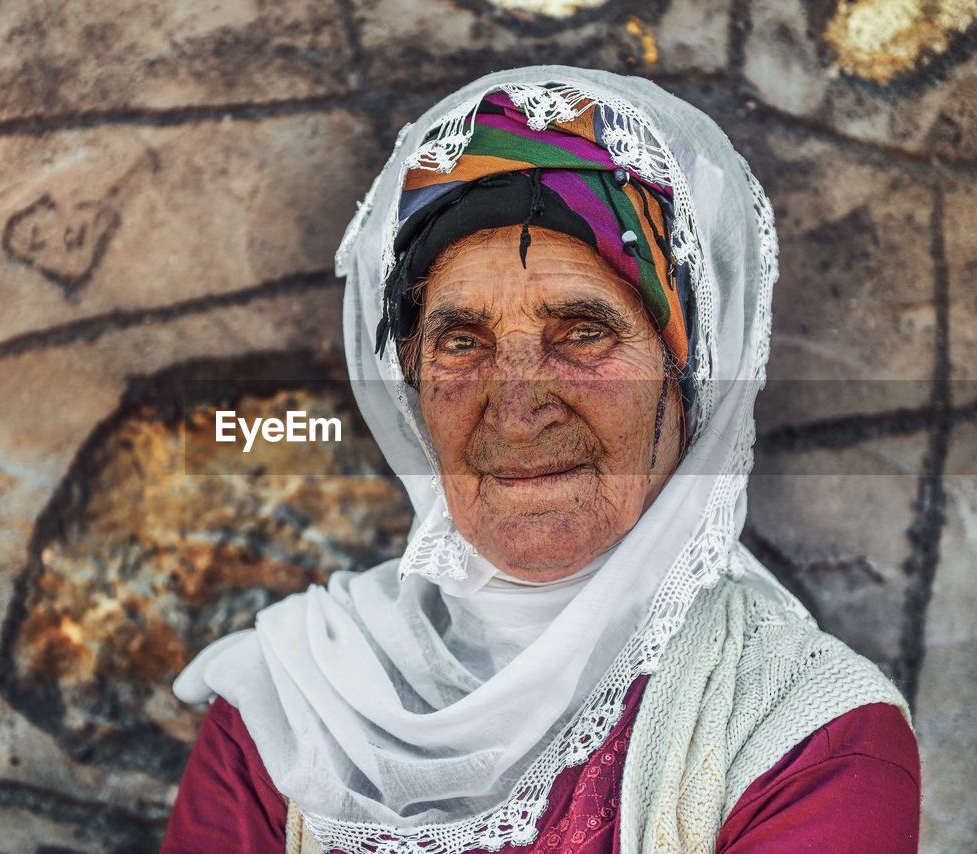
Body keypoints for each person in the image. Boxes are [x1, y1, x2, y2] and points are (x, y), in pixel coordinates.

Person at [161, 66, 921, 853]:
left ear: (692, 382)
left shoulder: (804, 737)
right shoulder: (289, 710)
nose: (518, 408)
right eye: (462, 342)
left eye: (582, 333)